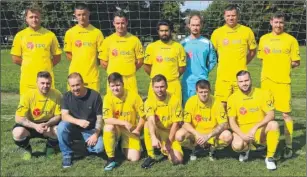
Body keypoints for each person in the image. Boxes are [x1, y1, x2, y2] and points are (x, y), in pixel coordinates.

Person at [257, 12, 300, 159]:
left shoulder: (291, 40)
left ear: (284, 23)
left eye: (281, 22)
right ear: (271, 22)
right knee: (265, 113)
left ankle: (288, 146)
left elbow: (296, 62)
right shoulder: (263, 39)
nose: (278, 25)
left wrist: (283, 67)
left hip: (283, 83)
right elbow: (262, 59)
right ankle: (264, 143)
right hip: (267, 82)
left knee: (286, 114)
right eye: (276, 22)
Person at [228, 70, 280, 170]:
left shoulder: (263, 93)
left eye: (246, 80)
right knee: (237, 146)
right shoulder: (232, 98)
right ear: (237, 83)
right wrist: (242, 135)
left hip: (259, 130)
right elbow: (232, 122)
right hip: (242, 131)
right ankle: (246, 149)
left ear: (251, 80)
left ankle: (269, 158)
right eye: (241, 81)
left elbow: (271, 114)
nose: (244, 84)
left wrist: (255, 127)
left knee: (274, 124)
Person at [210, 5, 257, 110]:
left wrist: (243, 62)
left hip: (241, 77)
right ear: (224, 16)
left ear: (238, 16)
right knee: (222, 105)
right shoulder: (217, 33)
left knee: (241, 103)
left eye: (233, 15)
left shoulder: (247, 31)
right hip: (223, 76)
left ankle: (240, 125)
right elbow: (211, 52)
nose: (231, 18)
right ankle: (224, 126)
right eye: (228, 16)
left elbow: (253, 51)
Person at [11, 6, 62, 98]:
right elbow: (15, 58)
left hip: (46, 79)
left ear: (41, 18)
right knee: (27, 108)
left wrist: (45, 65)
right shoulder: (20, 36)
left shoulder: (50, 35)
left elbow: (57, 56)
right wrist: (29, 65)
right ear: (26, 19)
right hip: (27, 79)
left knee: (48, 108)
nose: (34, 20)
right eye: (31, 17)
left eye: (37, 17)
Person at [175, 79, 232, 161]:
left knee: (228, 136)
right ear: (196, 92)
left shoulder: (217, 102)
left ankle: (212, 150)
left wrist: (208, 136)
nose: (204, 94)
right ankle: (194, 149)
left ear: (210, 91)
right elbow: (185, 123)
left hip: (212, 134)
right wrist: (197, 134)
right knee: (179, 135)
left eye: (206, 91)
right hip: (196, 133)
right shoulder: (191, 102)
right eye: (201, 92)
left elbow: (224, 123)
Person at [57, 72, 103, 168]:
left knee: (99, 149)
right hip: (73, 129)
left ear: (83, 83)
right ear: (69, 86)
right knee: (61, 126)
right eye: (72, 86)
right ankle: (67, 155)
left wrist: (96, 134)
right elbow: (64, 116)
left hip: (90, 130)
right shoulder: (66, 96)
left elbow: (100, 118)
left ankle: (79, 147)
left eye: (77, 85)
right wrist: (78, 121)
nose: (75, 88)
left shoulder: (95, 96)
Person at [12, 71, 62, 160]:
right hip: (31, 124)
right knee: (17, 132)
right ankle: (26, 149)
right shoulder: (28, 95)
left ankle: (50, 148)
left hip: (47, 125)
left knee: (59, 130)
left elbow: (58, 116)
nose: (45, 86)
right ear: (37, 83)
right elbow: (18, 118)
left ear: (51, 83)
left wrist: (48, 123)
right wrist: (35, 126)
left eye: (48, 83)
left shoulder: (57, 94)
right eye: (42, 83)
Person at [102, 72, 146, 171]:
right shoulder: (107, 98)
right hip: (116, 128)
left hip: (130, 130)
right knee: (108, 127)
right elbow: (106, 119)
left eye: (118, 85)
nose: (115, 88)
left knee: (134, 158)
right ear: (109, 86)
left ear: (123, 84)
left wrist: (138, 130)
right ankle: (111, 158)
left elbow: (144, 116)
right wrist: (124, 123)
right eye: (112, 86)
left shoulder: (134, 96)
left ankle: (120, 144)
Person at [141, 74, 183, 169]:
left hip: (171, 131)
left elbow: (176, 124)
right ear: (152, 87)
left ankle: (164, 148)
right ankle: (151, 155)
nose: (159, 90)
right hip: (158, 130)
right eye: (156, 87)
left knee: (178, 160)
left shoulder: (175, 100)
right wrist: (153, 137)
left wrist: (168, 142)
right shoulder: (149, 101)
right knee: (147, 124)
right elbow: (151, 119)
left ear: (166, 86)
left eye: (162, 86)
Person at [99, 10, 144, 94]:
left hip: (130, 79)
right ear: (113, 23)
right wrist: (114, 71)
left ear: (126, 22)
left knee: (131, 104)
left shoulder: (134, 40)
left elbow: (140, 61)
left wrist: (130, 70)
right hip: (113, 80)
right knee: (114, 105)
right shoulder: (107, 41)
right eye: (118, 23)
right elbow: (103, 62)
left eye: (122, 23)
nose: (120, 26)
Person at [64, 3, 104, 92]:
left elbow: (101, 55)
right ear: (75, 15)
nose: (82, 17)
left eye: (84, 14)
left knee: (92, 103)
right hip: (74, 75)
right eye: (79, 15)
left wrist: (92, 63)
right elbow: (68, 54)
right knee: (74, 103)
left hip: (92, 76)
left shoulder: (97, 33)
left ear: (88, 14)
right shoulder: (70, 33)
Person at [144, 20, 186, 104]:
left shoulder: (178, 47)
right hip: (156, 85)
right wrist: (156, 79)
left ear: (170, 31)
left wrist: (172, 76)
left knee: (175, 111)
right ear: (158, 31)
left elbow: (182, 67)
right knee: (154, 112)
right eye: (162, 31)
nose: (164, 33)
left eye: (166, 30)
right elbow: (146, 66)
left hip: (173, 85)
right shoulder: (151, 47)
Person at [180, 11, 217, 106]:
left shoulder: (207, 43)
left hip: (202, 78)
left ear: (201, 25)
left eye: (197, 25)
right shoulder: (183, 43)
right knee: (188, 106)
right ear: (188, 25)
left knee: (203, 106)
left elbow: (213, 60)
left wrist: (204, 71)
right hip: (188, 81)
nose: (195, 27)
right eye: (193, 25)